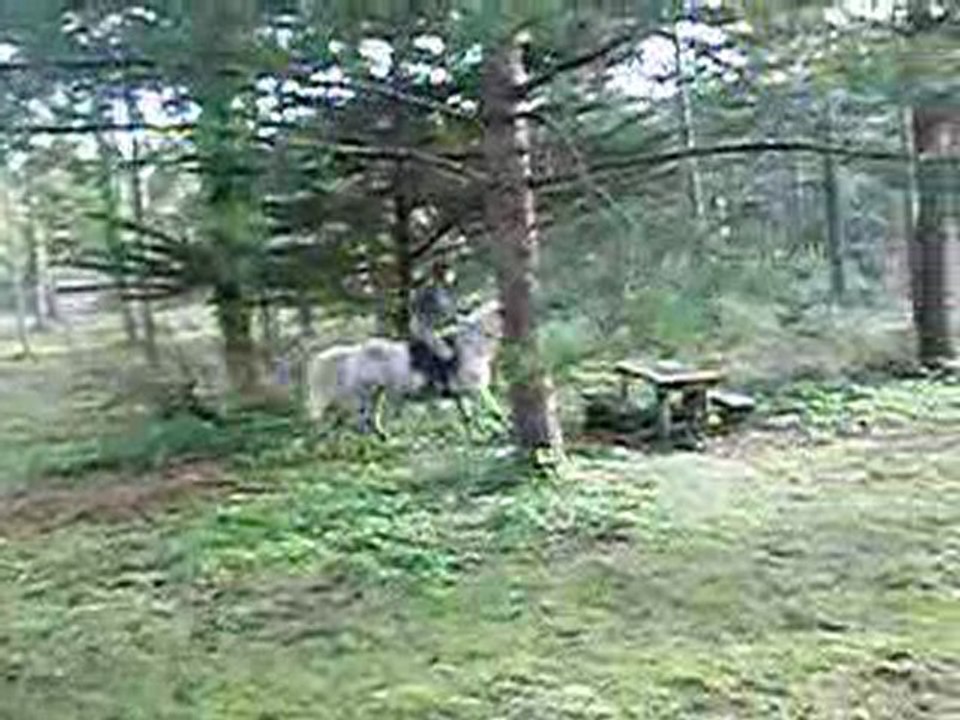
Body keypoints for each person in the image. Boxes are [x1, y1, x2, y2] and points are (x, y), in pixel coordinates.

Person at [410, 261, 459, 395]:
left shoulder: (445, 291)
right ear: (440, 274)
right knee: (446, 353)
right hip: (423, 326)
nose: (451, 276)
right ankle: (441, 384)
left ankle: (453, 379)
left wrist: (459, 315)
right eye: (448, 273)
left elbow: (450, 311)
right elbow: (417, 306)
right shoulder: (429, 289)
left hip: (438, 327)